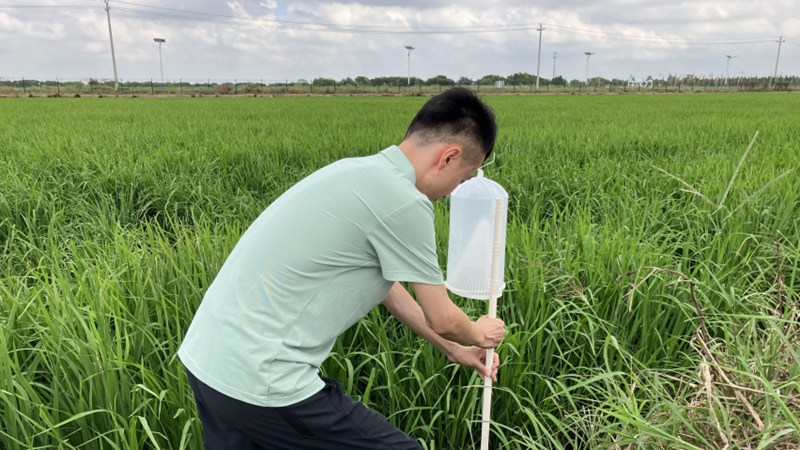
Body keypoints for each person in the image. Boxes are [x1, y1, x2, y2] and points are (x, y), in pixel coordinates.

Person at [178, 87, 505, 450]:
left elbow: (389, 285)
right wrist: (478, 334)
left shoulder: (353, 171)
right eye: (461, 179)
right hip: (263, 379)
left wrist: (451, 348)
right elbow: (442, 317)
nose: (450, 193)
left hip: (209, 361)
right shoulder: (404, 202)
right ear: (448, 157)